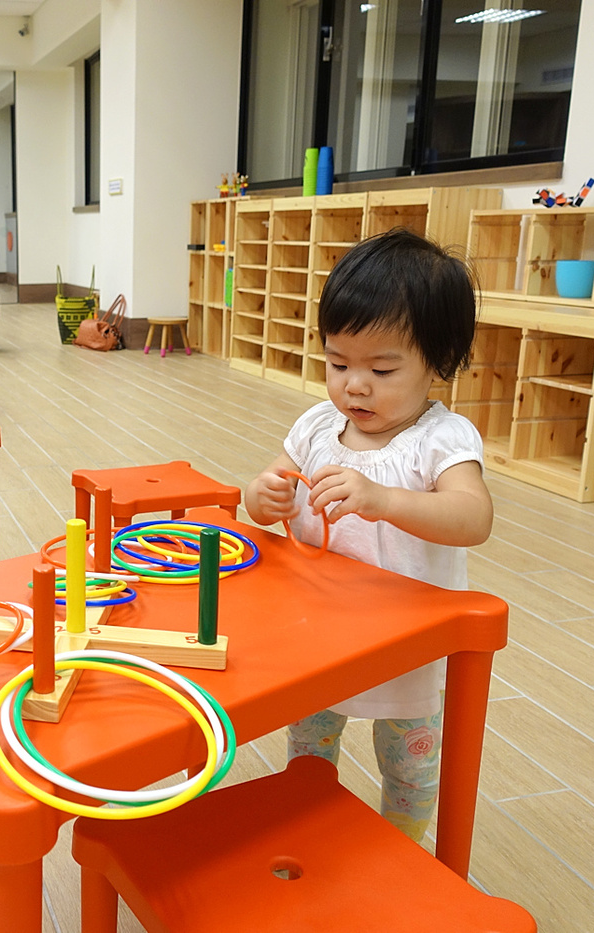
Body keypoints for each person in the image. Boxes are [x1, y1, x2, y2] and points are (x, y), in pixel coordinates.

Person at [243, 228, 494, 843]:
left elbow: (473, 518)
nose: (354, 384)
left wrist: (383, 500)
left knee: (408, 771)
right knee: (307, 749)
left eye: (381, 368)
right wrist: (261, 496)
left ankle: (400, 855)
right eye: (337, 363)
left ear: (438, 362)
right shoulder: (315, 427)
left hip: (404, 649)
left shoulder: (441, 440)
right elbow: (262, 493)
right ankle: (306, 830)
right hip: (315, 637)